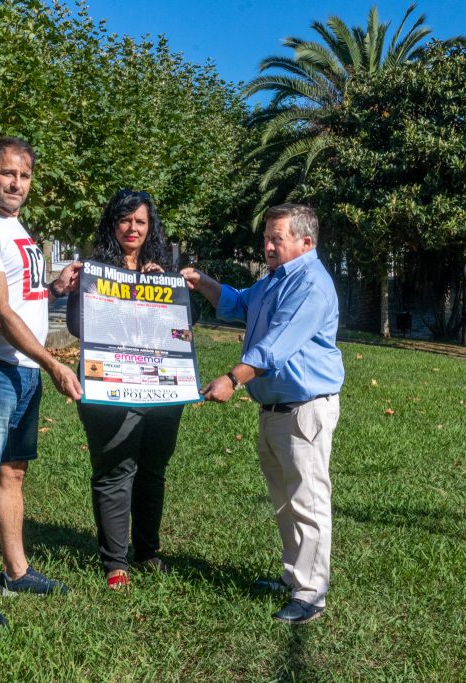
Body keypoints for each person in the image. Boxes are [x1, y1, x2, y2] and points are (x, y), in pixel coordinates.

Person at [181, 204, 344, 625]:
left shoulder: (309, 284)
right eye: (267, 238)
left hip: (303, 409)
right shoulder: (275, 279)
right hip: (274, 409)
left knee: (307, 501)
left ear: (306, 242)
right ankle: (294, 577)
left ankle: (311, 594)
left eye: (278, 238)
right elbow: (236, 303)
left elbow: (275, 346)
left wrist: (232, 380)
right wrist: (202, 282)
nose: (269, 246)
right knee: (285, 501)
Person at [0, 136, 83, 627]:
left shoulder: (13, 225)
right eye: (8, 173)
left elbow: (21, 294)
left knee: (13, 473)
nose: (16, 184)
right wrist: (53, 362)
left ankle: (16, 570)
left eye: (24, 176)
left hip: (20, 369)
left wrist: (53, 287)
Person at [67, 190, 191, 590]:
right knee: (115, 472)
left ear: (150, 226)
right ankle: (115, 562)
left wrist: (165, 290)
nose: (132, 228)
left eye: (140, 221)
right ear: (112, 224)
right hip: (110, 387)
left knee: (153, 472)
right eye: (124, 220)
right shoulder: (93, 270)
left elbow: (183, 328)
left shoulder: (163, 270)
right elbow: (75, 326)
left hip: (162, 389)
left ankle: (148, 552)